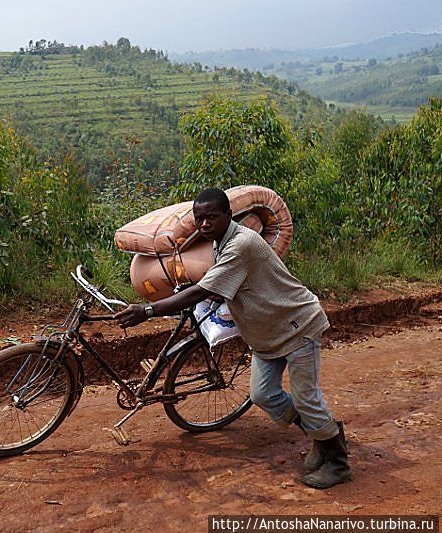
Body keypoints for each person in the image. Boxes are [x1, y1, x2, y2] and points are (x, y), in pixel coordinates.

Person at [113, 187, 351, 489]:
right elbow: (213, 288)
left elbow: (202, 290)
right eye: (199, 219)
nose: (204, 224)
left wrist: (147, 310)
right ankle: (322, 435)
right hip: (266, 332)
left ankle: (337, 461)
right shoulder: (219, 244)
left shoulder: (241, 244)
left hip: (296, 325)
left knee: (306, 397)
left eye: (211, 217)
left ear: (228, 215)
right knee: (263, 395)